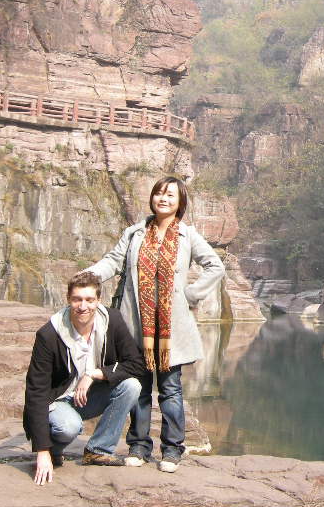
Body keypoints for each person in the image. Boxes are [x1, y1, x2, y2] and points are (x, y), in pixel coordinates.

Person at [85, 176, 225, 473]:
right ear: (152, 198)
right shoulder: (135, 233)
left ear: (180, 202)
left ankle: (173, 449)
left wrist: (190, 294)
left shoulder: (188, 235)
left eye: (170, 195)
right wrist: (89, 277)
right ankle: (139, 446)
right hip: (137, 324)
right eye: (159, 193)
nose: (163, 199)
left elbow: (215, 266)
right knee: (139, 387)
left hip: (170, 330)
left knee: (171, 390)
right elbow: (112, 261)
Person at [23, 271, 145, 485]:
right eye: (77, 299)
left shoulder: (112, 321)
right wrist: (41, 451)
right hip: (59, 401)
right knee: (69, 426)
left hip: (91, 394)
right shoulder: (49, 335)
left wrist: (96, 374)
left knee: (131, 386)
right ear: (69, 299)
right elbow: (36, 392)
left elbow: (136, 363)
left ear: (98, 300)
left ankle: (98, 450)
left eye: (89, 300)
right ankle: (53, 450)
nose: (83, 306)